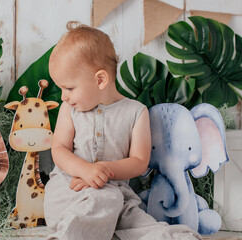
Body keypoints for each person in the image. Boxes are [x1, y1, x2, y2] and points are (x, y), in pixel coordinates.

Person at [43, 21, 202, 240]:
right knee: (105, 199)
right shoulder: (69, 110)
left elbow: (139, 161)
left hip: (119, 198)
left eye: (69, 88)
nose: (63, 96)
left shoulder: (136, 112)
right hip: (71, 193)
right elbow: (59, 149)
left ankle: (173, 237)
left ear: (100, 80)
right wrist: (85, 170)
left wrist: (102, 169)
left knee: (140, 222)